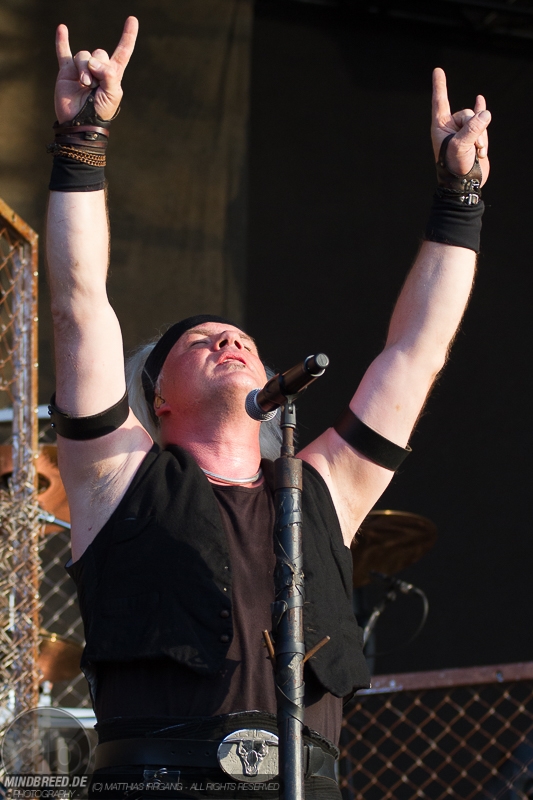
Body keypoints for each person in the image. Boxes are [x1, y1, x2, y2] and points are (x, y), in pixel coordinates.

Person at [45, 16, 491, 800]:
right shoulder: (120, 480)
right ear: (157, 399)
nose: (228, 341)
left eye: (241, 339)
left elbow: (415, 352)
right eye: (199, 341)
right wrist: (82, 139)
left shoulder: (322, 491)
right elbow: (81, 306)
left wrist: (460, 198)